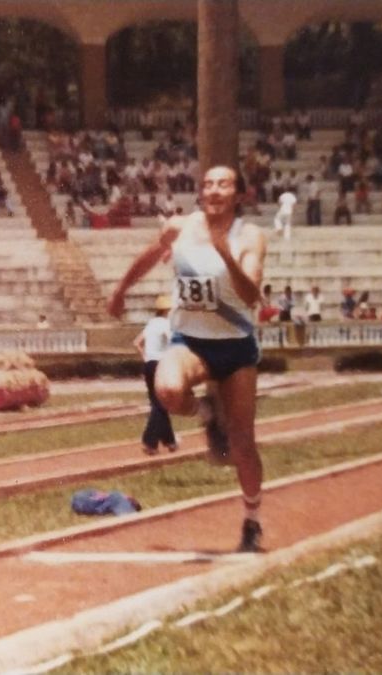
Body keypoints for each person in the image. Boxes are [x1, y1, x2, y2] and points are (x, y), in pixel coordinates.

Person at [106, 165, 268, 553]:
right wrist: (121, 290)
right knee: (167, 389)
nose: (214, 190)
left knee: (243, 443)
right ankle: (207, 413)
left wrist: (226, 256)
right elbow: (151, 254)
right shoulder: (181, 228)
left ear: (239, 194)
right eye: (208, 184)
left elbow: (250, 295)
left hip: (235, 346)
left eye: (224, 184)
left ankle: (252, 521)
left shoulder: (249, 236)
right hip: (190, 341)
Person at [133, 295, 177, 456]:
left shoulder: (151, 324)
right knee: (161, 403)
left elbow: (137, 342)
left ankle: (170, 441)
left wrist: (146, 356)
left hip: (149, 364)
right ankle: (149, 441)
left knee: (157, 401)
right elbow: (173, 341)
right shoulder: (166, 324)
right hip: (161, 364)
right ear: (167, 310)